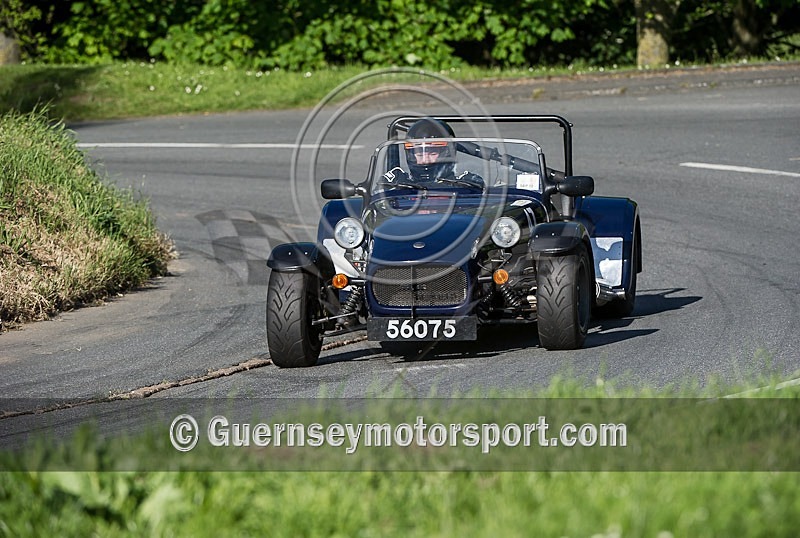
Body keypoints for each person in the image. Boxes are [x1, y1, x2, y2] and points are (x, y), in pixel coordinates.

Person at [381, 117, 484, 189]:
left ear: (447, 153)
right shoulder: (395, 181)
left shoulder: (468, 183)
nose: (425, 160)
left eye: (432, 153)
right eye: (420, 154)